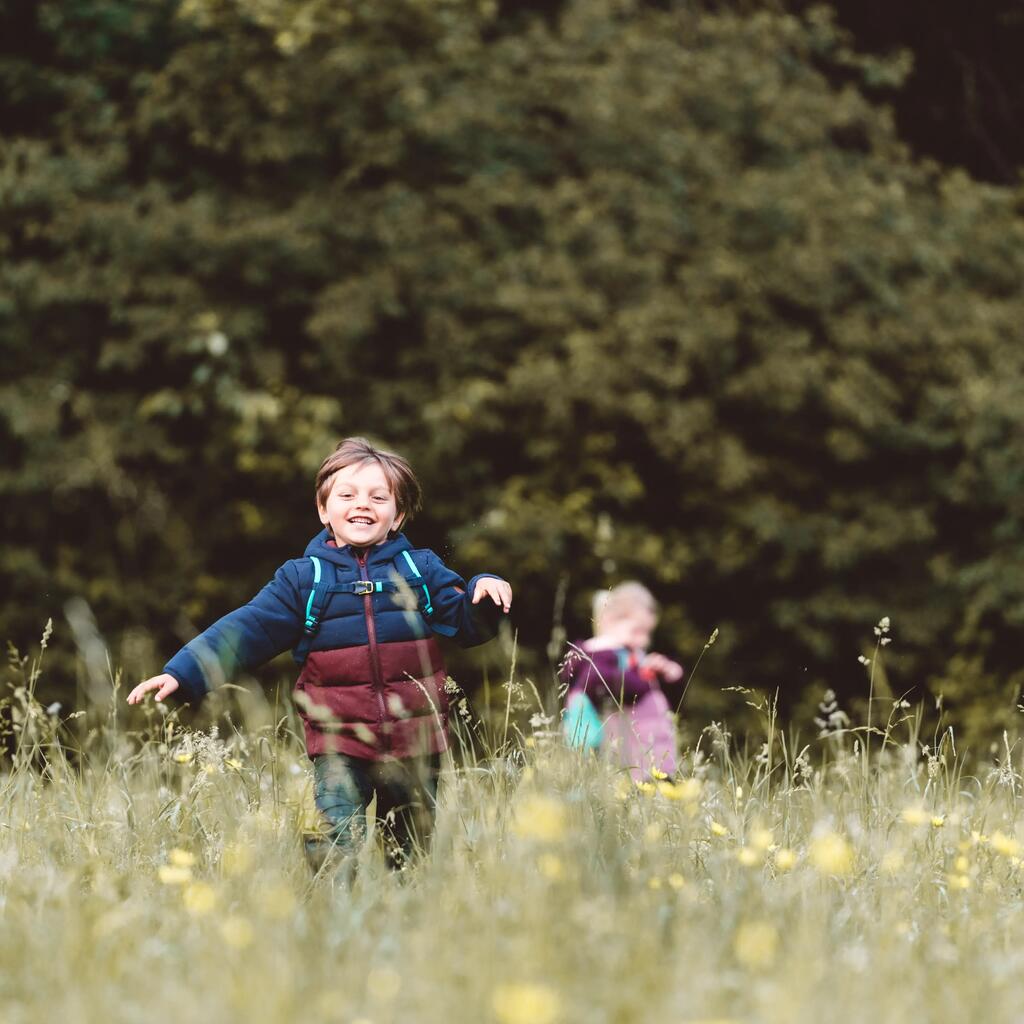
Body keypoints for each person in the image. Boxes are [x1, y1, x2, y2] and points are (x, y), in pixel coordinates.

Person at [128, 437, 512, 873]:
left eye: (378, 497)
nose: (362, 504)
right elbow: (246, 628)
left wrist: (484, 590)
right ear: (323, 510)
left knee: (409, 852)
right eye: (347, 495)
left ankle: (403, 920)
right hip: (338, 741)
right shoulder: (303, 579)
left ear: (397, 515)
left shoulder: (419, 570)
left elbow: (465, 623)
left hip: (415, 742)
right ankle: (334, 909)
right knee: (338, 839)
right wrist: (182, 673)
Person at [560, 581, 683, 780]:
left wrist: (669, 673)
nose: (644, 640)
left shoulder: (628, 654)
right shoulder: (601, 655)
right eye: (637, 631)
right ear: (609, 621)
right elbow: (610, 685)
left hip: (649, 751)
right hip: (628, 755)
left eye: (648, 633)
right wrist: (643, 676)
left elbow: (669, 699)